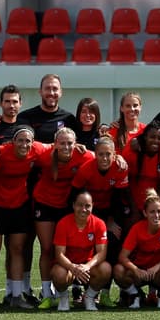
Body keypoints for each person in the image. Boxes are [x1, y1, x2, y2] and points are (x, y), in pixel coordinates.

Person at [0, 126, 50, 310]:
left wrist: (81, 147)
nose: (24, 144)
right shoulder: (1, 152)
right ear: (13, 142)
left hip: (20, 205)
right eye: (20, 140)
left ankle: (15, 295)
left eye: (28, 141)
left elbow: (56, 146)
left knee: (17, 249)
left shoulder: (36, 149)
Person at [31, 127, 93, 308]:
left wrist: (118, 158)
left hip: (67, 206)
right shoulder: (44, 155)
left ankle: (70, 288)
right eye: (62, 143)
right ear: (55, 144)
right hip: (44, 203)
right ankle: (46, 292)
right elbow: (23, 147)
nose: (66, 147)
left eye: (70, 143)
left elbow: (105, 156)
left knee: (69, 248)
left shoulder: (84, 156)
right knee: (47, 248)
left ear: (76, 144)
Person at [71, 135, 132, 274]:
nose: (104, 158)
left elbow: (118, 197)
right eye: (101, 154)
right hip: (89, 211)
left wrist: (110, 221)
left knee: (113, 238)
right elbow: (75, 195)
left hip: (110, 209)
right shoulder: (86, 169)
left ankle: (105, 286)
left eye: (108, 154)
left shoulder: (120, 168)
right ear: (95, 154)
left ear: (115, 155)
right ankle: (80, 281)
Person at [117, 189, 160, 308]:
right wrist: (137, 270)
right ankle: (135, 295)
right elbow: (122, 256)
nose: (156, 215)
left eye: (159, 211)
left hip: (158, 273)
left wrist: (157, 267)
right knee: (118, 270)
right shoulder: (137, 228)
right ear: (145, 213)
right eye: (152, 212)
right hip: (140, 273)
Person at [50, 191, 111, 311]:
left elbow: (102, 253)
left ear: (93, 206)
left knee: (106, 269)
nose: (83, 209)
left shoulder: (99, 224)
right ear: (73, 205)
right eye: (80, 205)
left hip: (87, 268)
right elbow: (59, 254)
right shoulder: (63, 223)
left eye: (87, 206)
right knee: (58, 273)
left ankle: (89, 297)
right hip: (68, 267)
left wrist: (87, 266)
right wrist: (73, 268)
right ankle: (63, 297)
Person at [128, 123, 160, 217]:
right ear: (145, 137)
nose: (156, 141)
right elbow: (125, 184)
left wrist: (153, 204)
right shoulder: (131, 153)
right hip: (132, 201)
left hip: (153, 200)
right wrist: (134, 208)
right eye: (152, 137)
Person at [17, 74, 74, 143]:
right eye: (47, 89)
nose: (51, 93)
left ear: (60, 92)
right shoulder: (25, 117)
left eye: (55, 89)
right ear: (40, 92)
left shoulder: (69, 119)